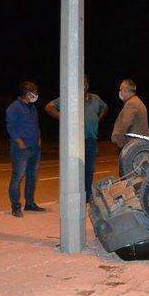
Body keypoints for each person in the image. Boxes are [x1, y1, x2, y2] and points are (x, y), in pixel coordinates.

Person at [44, 74, 108, 203]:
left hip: (90, 140)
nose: (82, 85)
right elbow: (49, 107)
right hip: (75, 141)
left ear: (87, 85)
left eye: (84, 83)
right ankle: (73, 196)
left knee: (89, 169)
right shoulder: (70, 97)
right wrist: (64, 117)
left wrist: (97, 118)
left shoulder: (95, 98)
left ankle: (87, 195)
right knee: (74, 169)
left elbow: (105, 108)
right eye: (79, 83)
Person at [5, 81, 45, 217]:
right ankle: (16, 206)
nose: (37, 95)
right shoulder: (14, 107)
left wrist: (39, 137)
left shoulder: (32, 108)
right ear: (28, 94)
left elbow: (35, 124)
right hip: (21, 150)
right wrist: (19, 141)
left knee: (32, 177)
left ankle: (30, 204)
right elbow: (10, 127)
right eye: (35, 92)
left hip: (34, 148)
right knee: (17, 177)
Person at [111, 79, 149, 175]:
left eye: (121, 89)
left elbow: (125, 125)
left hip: (130, 146)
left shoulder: (131, 104)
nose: (120, 92)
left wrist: (117, 140)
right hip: (137, 146)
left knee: (126, 175)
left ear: (125, 90)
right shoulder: (137, 102)